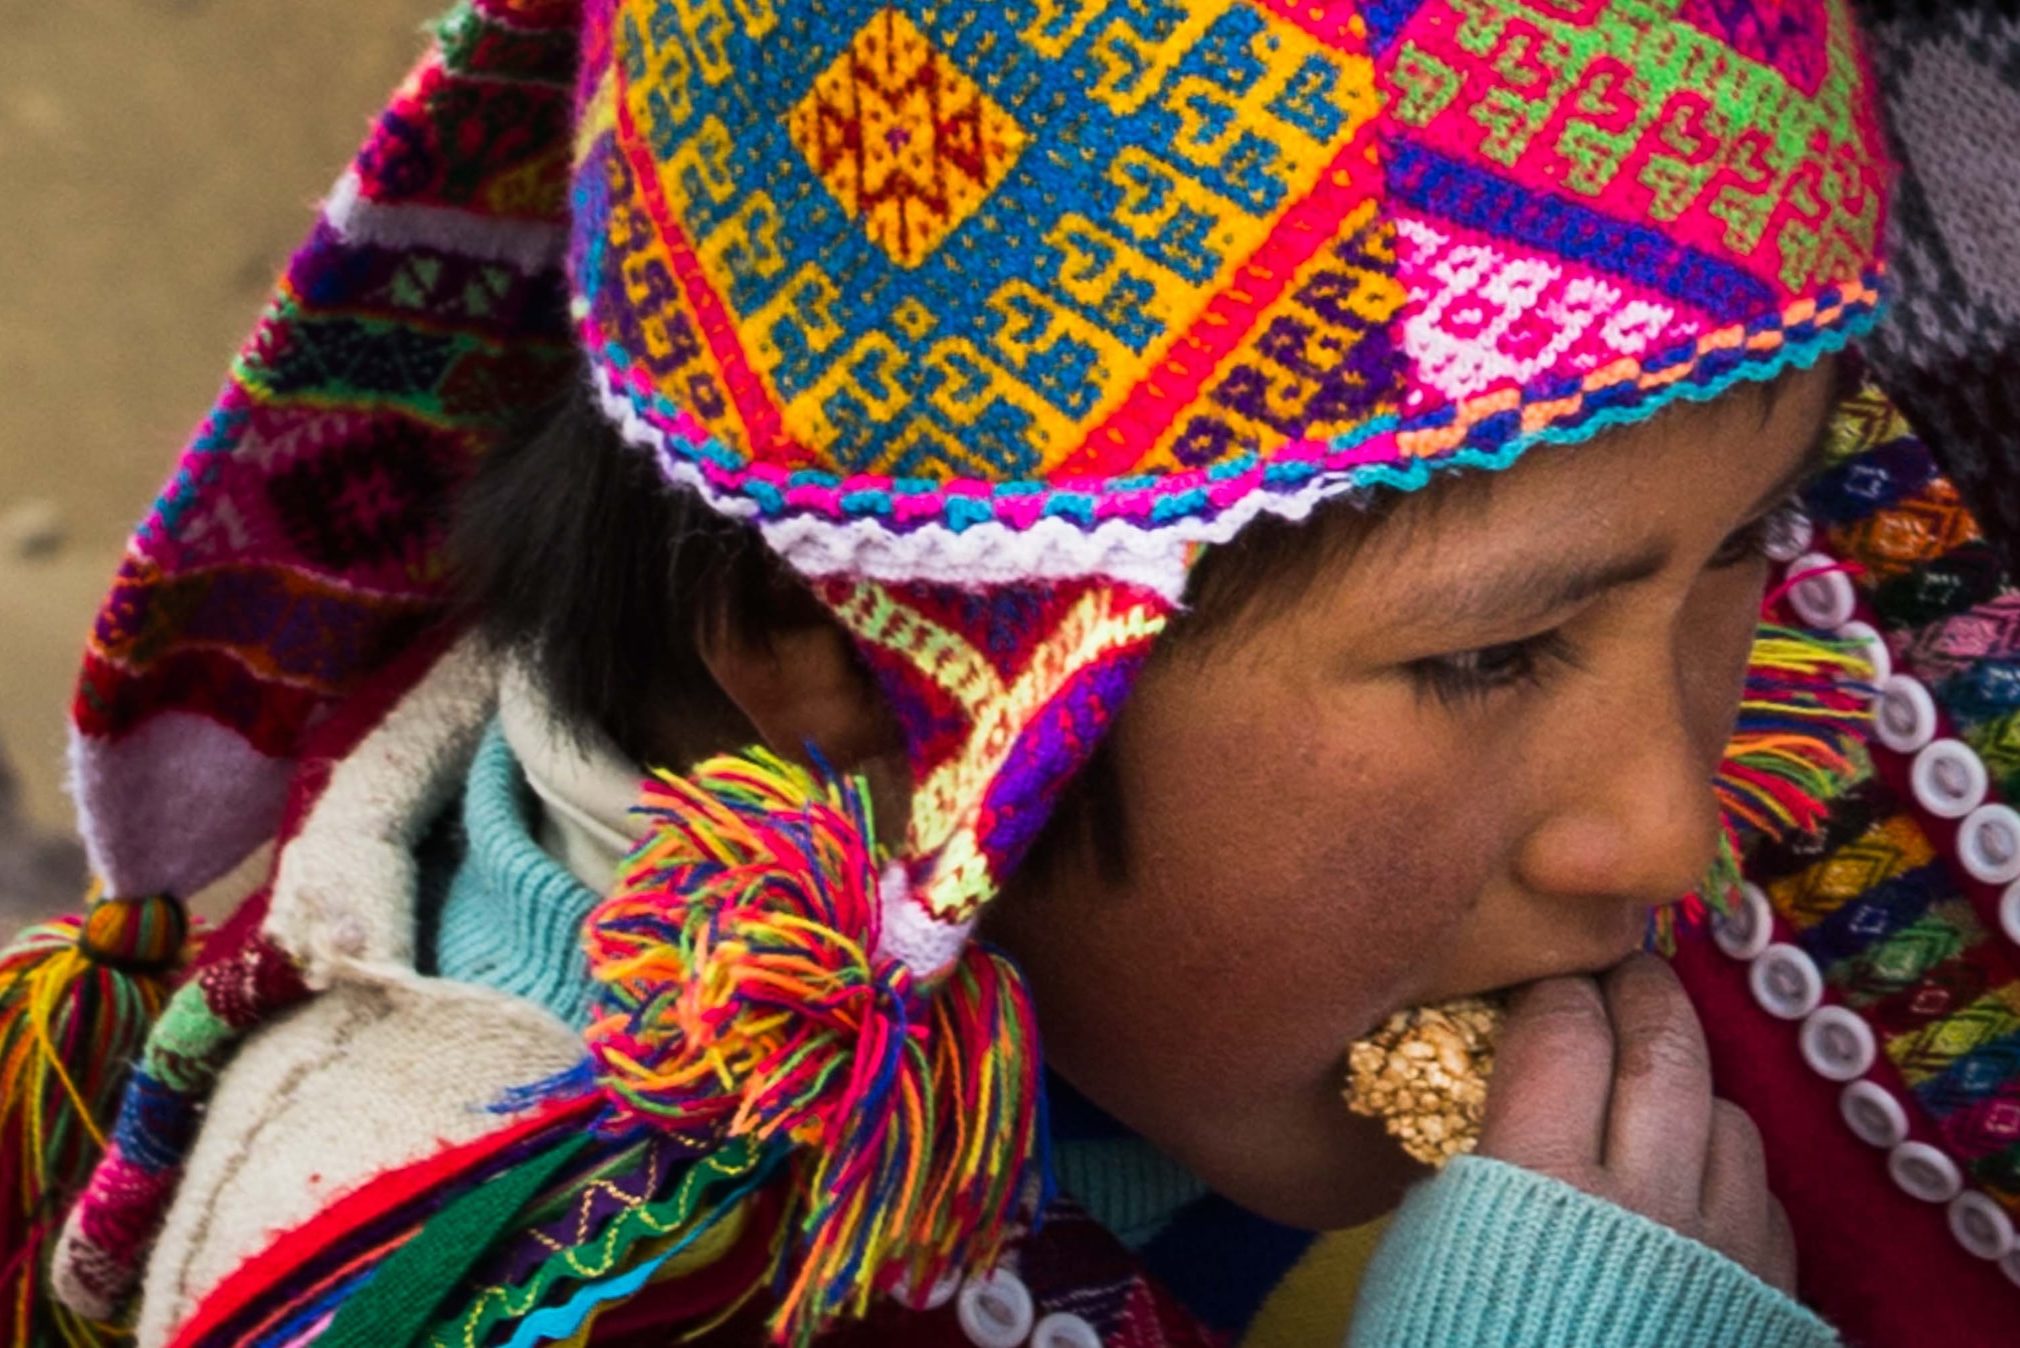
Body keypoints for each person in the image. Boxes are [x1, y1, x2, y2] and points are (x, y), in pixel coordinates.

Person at [3, 1, 2013, 1345]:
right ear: (832, 655)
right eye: (1489, 651)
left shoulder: (1203, 983)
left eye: (1746, 539)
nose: (1674, 825)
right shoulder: (466, 1274)